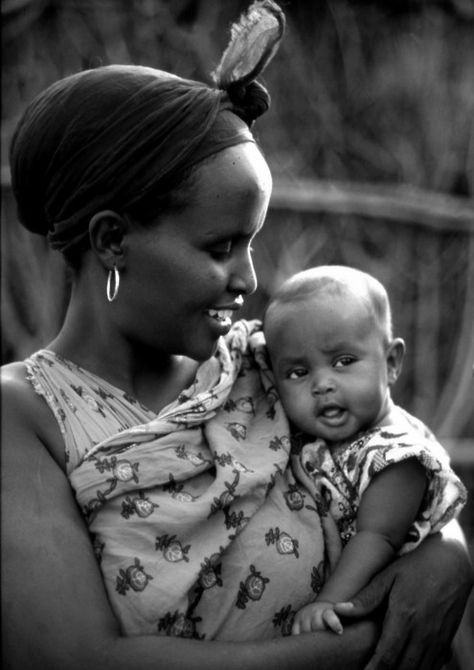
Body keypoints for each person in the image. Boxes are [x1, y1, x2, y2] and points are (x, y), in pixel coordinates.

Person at [1, 1, 472, 668]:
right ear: (112, 240)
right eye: (221, 246)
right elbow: (75, 656)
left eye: (251, 243)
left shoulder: (267, 369)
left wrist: (447, 552)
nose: (248, 278)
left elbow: (395, 465)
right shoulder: (27, 417)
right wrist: (367, 644)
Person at [263, 265, 468, 637]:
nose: (322, 384)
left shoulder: (397, 455)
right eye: (297, 372)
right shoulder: (326, 435)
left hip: (360, 620)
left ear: (390, 364)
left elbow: (377, 538)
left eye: (343, 362)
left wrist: (328, 601)